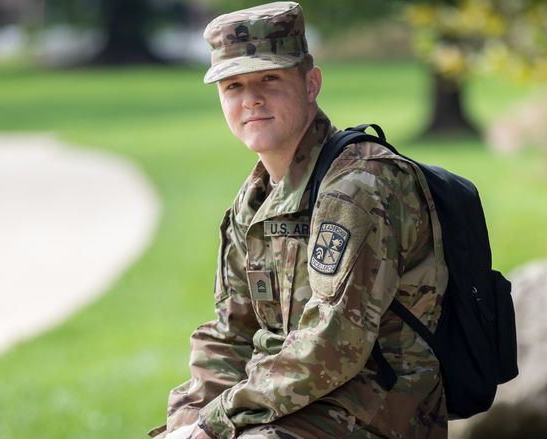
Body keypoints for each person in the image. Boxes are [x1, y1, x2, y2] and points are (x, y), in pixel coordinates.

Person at [149, 2, 449, 438]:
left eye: (269, 78)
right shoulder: (254, 200)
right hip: (290, 405)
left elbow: (334, 345)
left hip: (376, 411)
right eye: (233, 86)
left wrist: (215, 422)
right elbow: (231, 332)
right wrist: (189, 418)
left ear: (311, 84)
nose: (251, 98)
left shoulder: (358, 186)